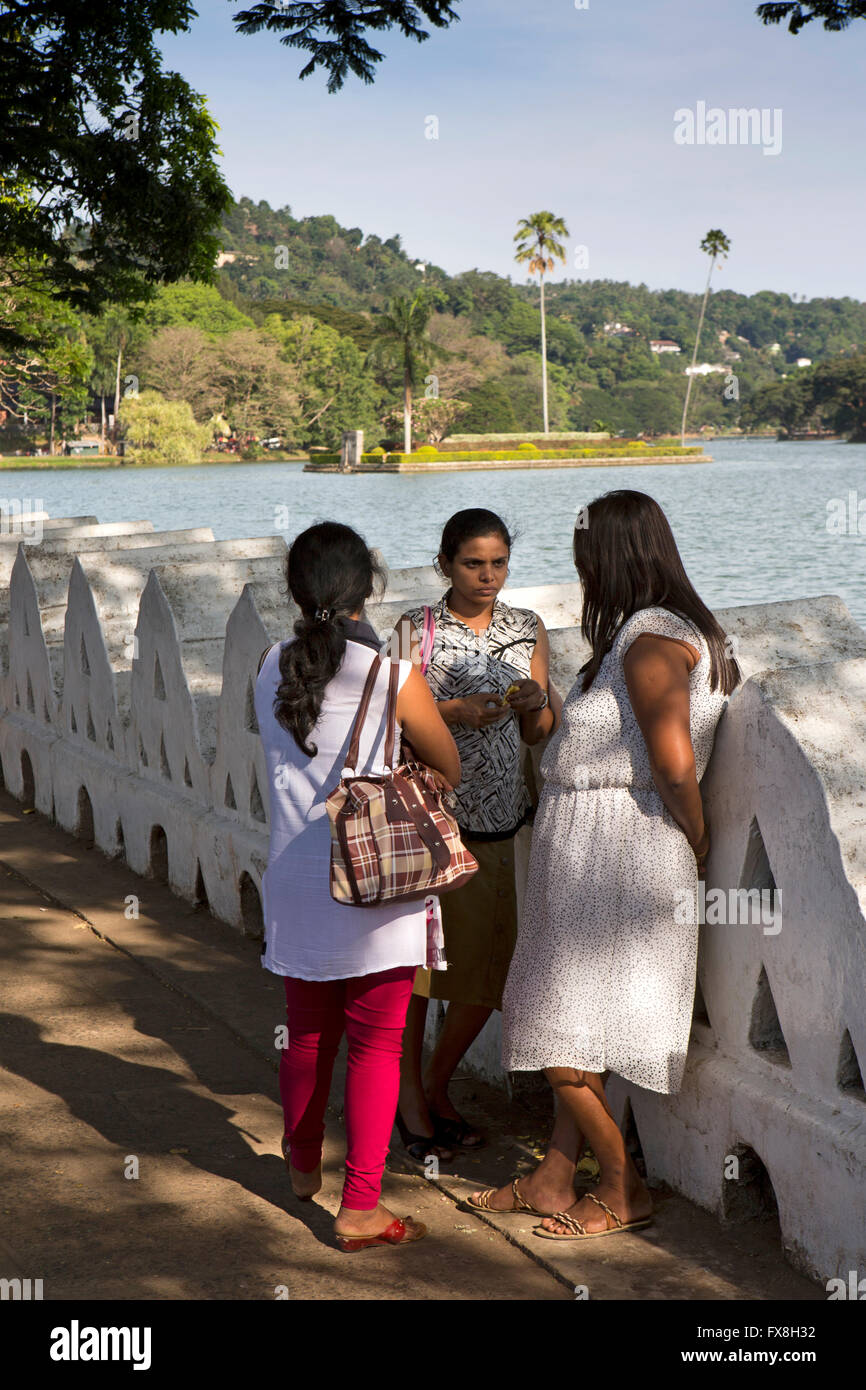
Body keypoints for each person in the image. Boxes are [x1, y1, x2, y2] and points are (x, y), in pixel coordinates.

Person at [470, 489, 740, 1239]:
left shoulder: (653, 639)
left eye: (586, 554)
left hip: (623, 853)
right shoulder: (635, 637)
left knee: (552, 1026)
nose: (580, 567)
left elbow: (676, 763)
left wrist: (698, 842)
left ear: (614, 555)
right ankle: (556, 1179)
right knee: (580, 1028)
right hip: (592, 850)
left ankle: (623, 1188)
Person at [255, 521, 460, 1251]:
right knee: (376, 1046)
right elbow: (450, 764)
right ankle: (361, 1207)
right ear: (365, 590)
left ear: (296, 589)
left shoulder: (264, 665)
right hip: (376, 883)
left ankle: (302, 1163)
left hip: (296, 882)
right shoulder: (388, 674)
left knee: (307, 1035)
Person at [394, 508, 562, 1158]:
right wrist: (450, 712)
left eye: (497, 563)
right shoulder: (418, 629)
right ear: (445, 564)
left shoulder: (527, 627)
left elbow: (538, 736)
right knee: (416, 974)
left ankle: (435, 1083)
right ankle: (413, 1106)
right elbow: (390, 717)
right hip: (429, 818)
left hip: (498, 823)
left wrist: (535, 706)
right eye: (472, 563)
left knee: (490, 969)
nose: (487, 576)